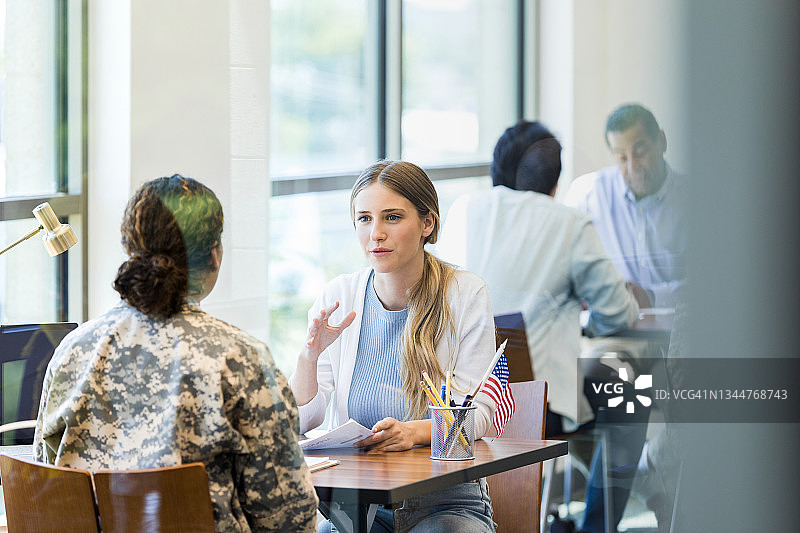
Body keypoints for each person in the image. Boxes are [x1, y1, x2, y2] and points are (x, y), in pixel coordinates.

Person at [33, 175, 318, 532]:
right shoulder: (240, 359)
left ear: (129, 249)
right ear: (214, 254)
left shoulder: (73, 351)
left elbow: (45, 481)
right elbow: (289, 517)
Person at [436, 121, 645, 533]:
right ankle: (596, 528)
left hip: (458, 401)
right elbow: (619, 313)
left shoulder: (464, 209)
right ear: (554, 180)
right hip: (536, 404)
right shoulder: (569, 223)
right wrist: (587, 320)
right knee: (631, 393)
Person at [290, 160, 498, 533]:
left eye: (392, 217)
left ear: (427, 223)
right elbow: (303, 421)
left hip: (446, 503)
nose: (376, 234)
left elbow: (479, 416)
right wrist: (309, 355)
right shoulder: (340, 295)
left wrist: (412, 432)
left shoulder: (464, 293)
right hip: (361, 505)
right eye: (364, 219)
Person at [564, 103, 686, 308]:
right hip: (614, 322)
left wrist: (652, 297)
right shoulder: (588, 194)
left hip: (681, 324)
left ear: (662, 141)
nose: (632, 167)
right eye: (621, 157)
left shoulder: (695, 200)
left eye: (640, 152)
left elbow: (712, 278)